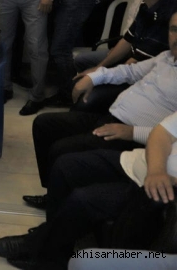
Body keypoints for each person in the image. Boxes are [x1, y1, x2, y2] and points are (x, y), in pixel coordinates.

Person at [21, 11, 177, 212]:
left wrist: (132, 132)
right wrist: (94, 77)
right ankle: (53, 193)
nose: (176, 36)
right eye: (174, 29)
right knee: (44, 124)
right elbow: (129, 72)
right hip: (110, 117)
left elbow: (170, 134)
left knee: (61, 150)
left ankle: (58, 202)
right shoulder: (165, 58)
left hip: (131, 134)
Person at [0, 108, 177, 269]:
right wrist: (156, 170)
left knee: (82, 199)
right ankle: (54, 251)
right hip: (144, 164)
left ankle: (36, 245)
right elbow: (162, 133)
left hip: (160, 192)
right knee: (65, 166)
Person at [73, 0, 177, 113]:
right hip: (133, 61)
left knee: (88, 99)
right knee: (82, 61)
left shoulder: (169, 15)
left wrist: (98, 75)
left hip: (146, 75)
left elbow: (135, 64)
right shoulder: (147, 4)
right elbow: (128, 39)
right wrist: (99, 67)